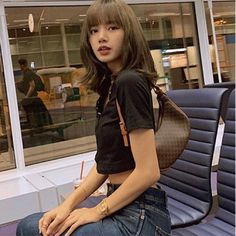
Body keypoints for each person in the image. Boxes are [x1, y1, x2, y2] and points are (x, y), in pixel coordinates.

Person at [16, 0, 171, 235]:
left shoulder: (130, 82)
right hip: (122, 204)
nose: (101, 37)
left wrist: (96, 211)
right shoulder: (111, 86)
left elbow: (149, 171)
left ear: (129, 33)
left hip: (141, 216)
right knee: (38, 223)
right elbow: (104, 165)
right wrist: (66, 205)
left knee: (30, 228)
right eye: (93, 30)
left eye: (112, 27)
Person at [17, 58, 52, 128]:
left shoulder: (27, 74)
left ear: (22, 65)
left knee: (26, 107)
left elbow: (32, 86)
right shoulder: (30, 73)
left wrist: (27, 96)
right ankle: (39, 124)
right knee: (39, 112)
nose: (19, 68)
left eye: (20, 66)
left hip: (32, 98)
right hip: (35, 97)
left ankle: (34, 125)